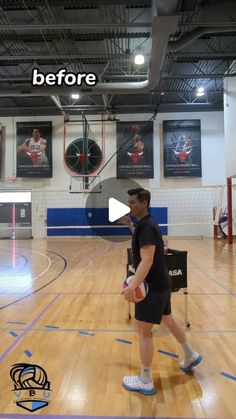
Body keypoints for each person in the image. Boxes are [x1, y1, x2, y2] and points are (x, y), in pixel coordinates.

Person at [120, 188, 202, 395]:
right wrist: (130, 225)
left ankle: (145, 380)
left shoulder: (146, 227)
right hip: (162, 283)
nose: (129, 206)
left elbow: (146, 260)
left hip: (152, 287)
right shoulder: (145, 224)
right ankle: (190, 355)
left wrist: (132, 287)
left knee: (144, 332)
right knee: (169, 320)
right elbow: (146, 248)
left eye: (132, 203)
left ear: (144, 202)